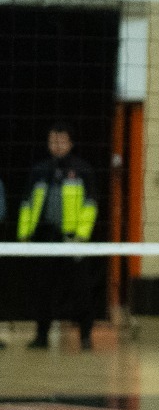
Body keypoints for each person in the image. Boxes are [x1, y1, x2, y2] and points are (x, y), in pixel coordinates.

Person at [19, 123, 100, 350]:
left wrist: (81, 237)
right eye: (52, 141)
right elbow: (27, 204)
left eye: (61, 140)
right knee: (42, 288)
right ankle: (41, 335)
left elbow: (90, 204)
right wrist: (25, 235)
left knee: (80, 289)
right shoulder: (39, 170)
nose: (56, 145)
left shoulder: (82, 169)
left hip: (72, 240)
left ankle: (85, 336)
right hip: (45, 237)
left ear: (70, 143)